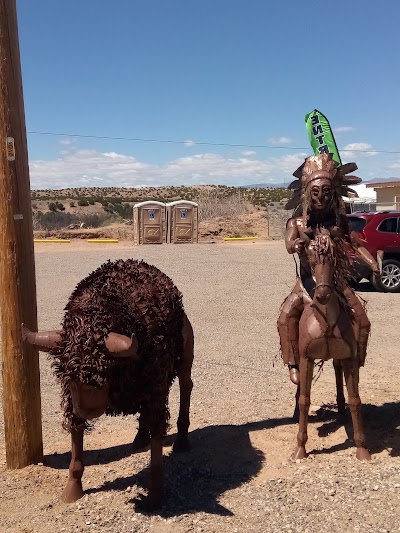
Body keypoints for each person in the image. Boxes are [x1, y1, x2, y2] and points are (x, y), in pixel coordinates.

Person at [277, 153, 380, 384]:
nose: (321, 197)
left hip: (335, 282)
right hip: (307, 283)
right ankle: (293, 362)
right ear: (307, 193)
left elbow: (356, 245)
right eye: (315, 192)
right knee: (285, 317)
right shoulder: (297, 223)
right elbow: (288, 244)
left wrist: (372, 263)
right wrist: (296, 244)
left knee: (363, 321)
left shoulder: (338, 222)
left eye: (326, 191)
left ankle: (355, 358)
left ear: (333, 192)